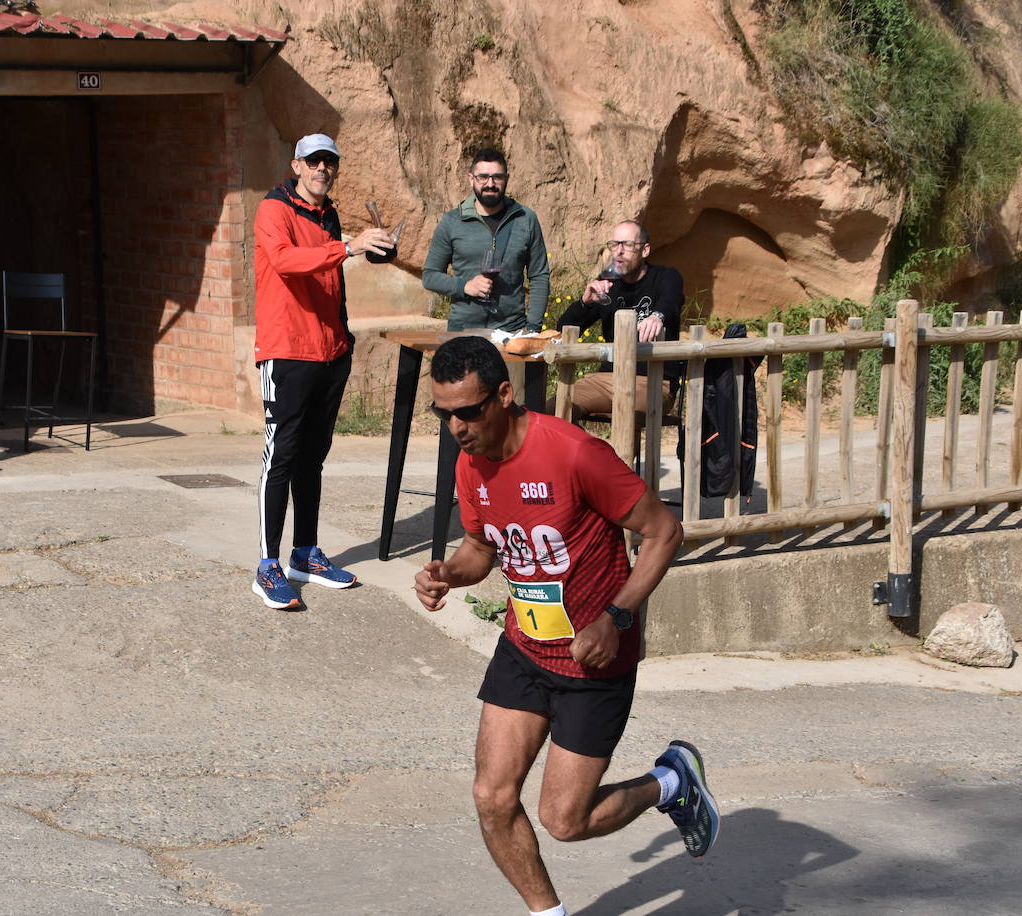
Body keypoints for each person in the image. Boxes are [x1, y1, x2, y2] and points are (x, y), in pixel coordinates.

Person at [413, 336, 718, 916]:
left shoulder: (574, 453)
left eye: (469, 412)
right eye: (444, 413)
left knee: (564, 820)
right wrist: (449, 572)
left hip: (593, 661)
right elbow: (481, 548)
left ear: (504, 395)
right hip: (524, 650)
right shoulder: (469, 462)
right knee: (492, 798)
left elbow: (664, 532)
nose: (456, 427)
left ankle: (671, 782)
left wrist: (617, 616)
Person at [250, 133, 393, 611]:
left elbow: (333, 271)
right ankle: (267, 565)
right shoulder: (275, 209)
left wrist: (374, 250)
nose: (322, 169)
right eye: (313, 161)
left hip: (331, 353)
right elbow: (287, 263)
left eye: (329, 162)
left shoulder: (327, 214)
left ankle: (304, 553)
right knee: (283, 457)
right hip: (287, 351)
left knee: (313, 458)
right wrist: (348, 247)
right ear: (296, 164)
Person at [554, 220, 685, 421]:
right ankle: (587, 452)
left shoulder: (665, 276)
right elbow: (563, 329)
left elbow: (670, 301)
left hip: (653, 381)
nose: (619, 251)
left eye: (627, 245)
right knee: (554, 409)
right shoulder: (608, 283)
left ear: (645, 250)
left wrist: (657, 316)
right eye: (614, 245)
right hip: (605, 379)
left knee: (626, 412)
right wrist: (585, 302)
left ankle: (617, 454)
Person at [422, 148, 551, 333]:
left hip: (512, 332)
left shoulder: (525, 218)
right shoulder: (452, 221)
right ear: (471, 178)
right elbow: (430, 276)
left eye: (497, 177)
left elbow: (539, 275)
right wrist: (464, 286)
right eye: (483, 177)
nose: (490, 184)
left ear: (506, 178)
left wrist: (533, 328)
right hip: (464, 331)